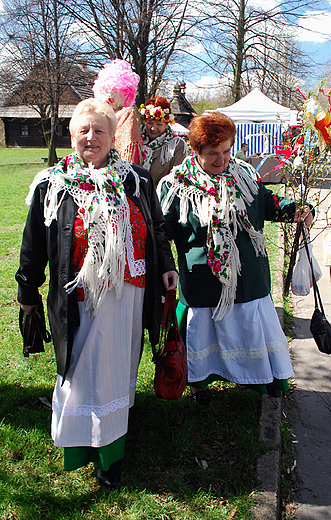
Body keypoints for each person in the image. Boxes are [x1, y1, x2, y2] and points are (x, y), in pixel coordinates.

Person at [16, 98, 178, 488]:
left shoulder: (135, 178)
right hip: (79, 296)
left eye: (99, 130)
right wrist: (27, 289)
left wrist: (167, 265)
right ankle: (83, 443)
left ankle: (110, 449)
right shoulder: (51, 185)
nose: (91, 137)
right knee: (83, 371)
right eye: (83, 130)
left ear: (112, 136)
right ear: (71, 136)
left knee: (117, 369)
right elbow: (33, 242)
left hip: (129, 292)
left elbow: (157, 227)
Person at [159, 112, 313, 405]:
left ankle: (258, 380)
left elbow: (268, 204)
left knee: (249, 330)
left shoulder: (244, 174)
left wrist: (297, 209)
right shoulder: (175, 185)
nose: (221, 160)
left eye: (227, 150)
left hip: (248, 279)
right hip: (203, 282)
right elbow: (161, 233)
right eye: (212, 154)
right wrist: (166, 265)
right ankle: (199, 386)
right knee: (202, 337)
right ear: (195, 151)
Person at [93, 59, 142, 164]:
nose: (110, 97)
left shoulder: (127, 114)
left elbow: (129, 149)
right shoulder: (99, 115)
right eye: (107, 93)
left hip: (119, 164)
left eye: (115, 93)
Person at [139, 96, 188, 186]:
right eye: (149, 123)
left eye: (159, 124)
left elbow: (177, 180)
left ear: (166, 124)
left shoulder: (176, 145)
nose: (153, 128)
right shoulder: (135, 139)